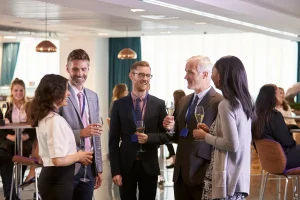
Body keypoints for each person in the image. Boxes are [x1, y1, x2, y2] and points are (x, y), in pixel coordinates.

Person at [193, 56, 255, 199]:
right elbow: (236, 137)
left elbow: (231, 144)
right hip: (239, 178)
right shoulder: (243, 103)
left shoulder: (226, 105)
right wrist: (211, 131)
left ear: (222, 76)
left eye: (214, 72)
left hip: (227, 179)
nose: (212, 76)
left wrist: (204, 136)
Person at [109, 61, 173, 200]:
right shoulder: (119, 105)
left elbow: (166, 136)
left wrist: (149, 138)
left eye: (148, 75)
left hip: (149, 167)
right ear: (131, 75)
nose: (145, 78)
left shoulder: (159, 104)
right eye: (141, 75)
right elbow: (113, 140)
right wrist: (115, 171)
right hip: (126, 167)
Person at [163, 55, 223, 200]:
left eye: (190, 72)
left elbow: (222, 139)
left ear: (205, 74)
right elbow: (178, 135)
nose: (185, 77)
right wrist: (170, 128)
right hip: (180, 173)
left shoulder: (220, 102)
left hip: (203, 172)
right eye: (186, 72)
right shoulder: (184, 101)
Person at [28, 74, 93, 200]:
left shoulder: (47, 117)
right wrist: (78, 156)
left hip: (56, 178)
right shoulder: (54, 121)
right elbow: (58, 160)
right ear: (56, 92)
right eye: (66, 89)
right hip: (57, 181)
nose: (69, 93)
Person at [59, 49, 103, 200]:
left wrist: (99, 168)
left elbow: (96, 135)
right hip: (68, 167)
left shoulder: (93, 96)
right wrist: (81, 133)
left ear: (88, 69)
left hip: (89, 167)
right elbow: (55, 133)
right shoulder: (59, 95)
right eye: (75, 69)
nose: (79, 74)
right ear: (67, 69)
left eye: (83, 69)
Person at [0, 78, 36, 200]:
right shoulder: (7, 106)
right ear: (11, 91)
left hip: (26, 138)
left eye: (21, 90)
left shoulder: (30, 105)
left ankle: (17, 185)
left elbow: (34, 124)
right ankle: (11, 192)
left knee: (24, 152)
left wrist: (27, 136)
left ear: (24, 91)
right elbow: (5, 127)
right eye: (16, 90)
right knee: (5, 152)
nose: (19, 93)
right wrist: (10, 137)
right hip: (12, 138)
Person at [253, 84, 300, 170]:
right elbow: (287, 142)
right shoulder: (275, 115)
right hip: (284, 159)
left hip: (267, 161)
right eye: (279, 93)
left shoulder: (256, 115)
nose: (282, 96)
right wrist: (294, 143)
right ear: (273, 96)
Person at [166, 89, 186, 169]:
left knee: (165, 136)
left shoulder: (177, 108)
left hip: (178, 134)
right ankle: (174, 157)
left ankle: (173, 156)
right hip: (183, 133)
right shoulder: (185, 107)